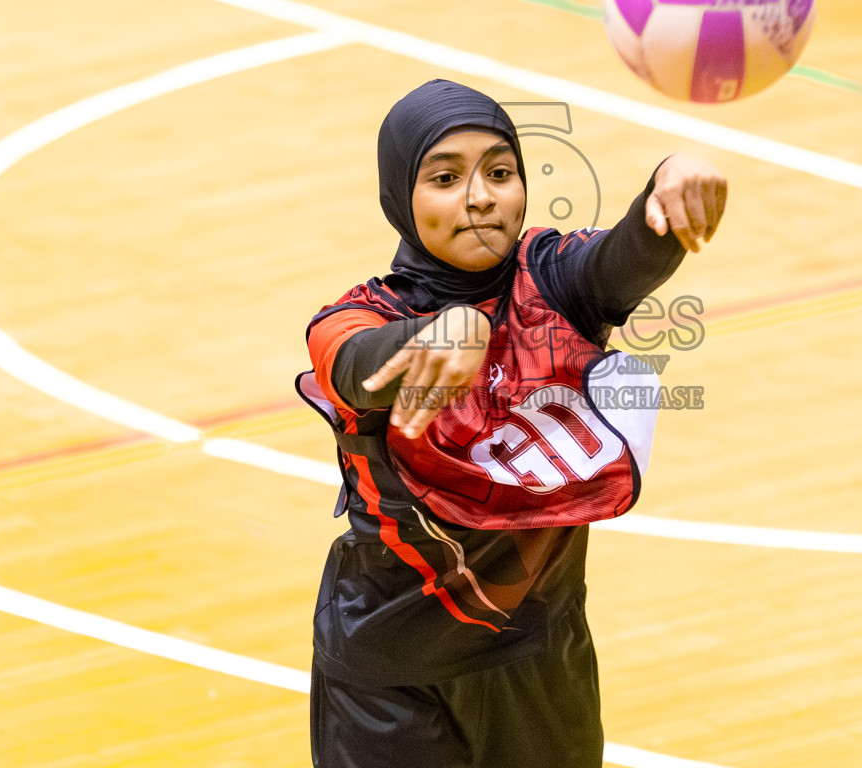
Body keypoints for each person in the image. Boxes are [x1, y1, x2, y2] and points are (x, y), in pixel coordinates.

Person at [298, 79, 726, 767]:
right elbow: (350, 363)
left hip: (537, 658)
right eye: (445, 178)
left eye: (500, 172)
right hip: (390, 676)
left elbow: (626, 258)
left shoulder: (556, 282)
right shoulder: (355, 317)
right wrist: (442, 333)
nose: (480, 197)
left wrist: (668, 188)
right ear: (399, 196)